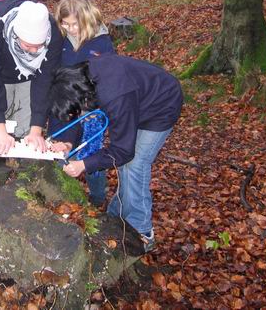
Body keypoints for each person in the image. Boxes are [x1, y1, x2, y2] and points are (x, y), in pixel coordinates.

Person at [48, 54, 183, 252]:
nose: (81, 115)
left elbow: (123, 151)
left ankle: (142, 231)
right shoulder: (79, 79)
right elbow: (77, 116)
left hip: (161, 105)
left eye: (79, 111)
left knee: (135, 164)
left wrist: (84, 164)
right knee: (125, 165)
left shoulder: (115, 94)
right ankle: (116, 214)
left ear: (81, 99)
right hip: (136, 100)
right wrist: (68, 143)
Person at [52, 0, 115, 206]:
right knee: (62, 147)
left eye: (75, 24)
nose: (70, 29)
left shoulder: (101, 42)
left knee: (90, 154)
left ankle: (97, 198)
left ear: (86, 18)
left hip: (92, 108)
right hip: (66, 104)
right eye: (66, 24)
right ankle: (64, 196)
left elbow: (109, 78)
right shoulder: (61, 40)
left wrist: (95, 106)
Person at [0, 0, 63, 155]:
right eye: (28, 46)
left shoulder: (54, 33)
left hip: (30, 77)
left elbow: (45, 80)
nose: (34, 51)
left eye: (39, 46)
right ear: (16, 35)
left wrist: (36, 130)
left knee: (24, 130)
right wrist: (0, 130)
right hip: (1, 76)